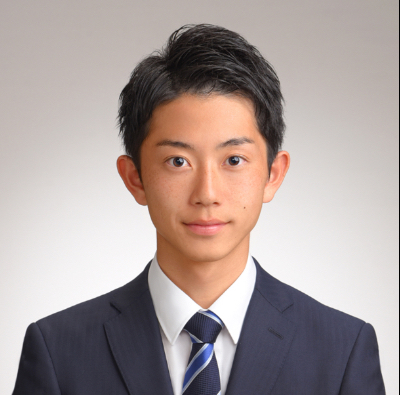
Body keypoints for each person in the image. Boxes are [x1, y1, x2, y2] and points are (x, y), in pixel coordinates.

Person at [13, 24, 385, 395]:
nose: (207, 194)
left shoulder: (342, 352)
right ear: (135, 178)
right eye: (178, 161)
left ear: (273, 174)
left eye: (234, 159)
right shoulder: (58, 352)